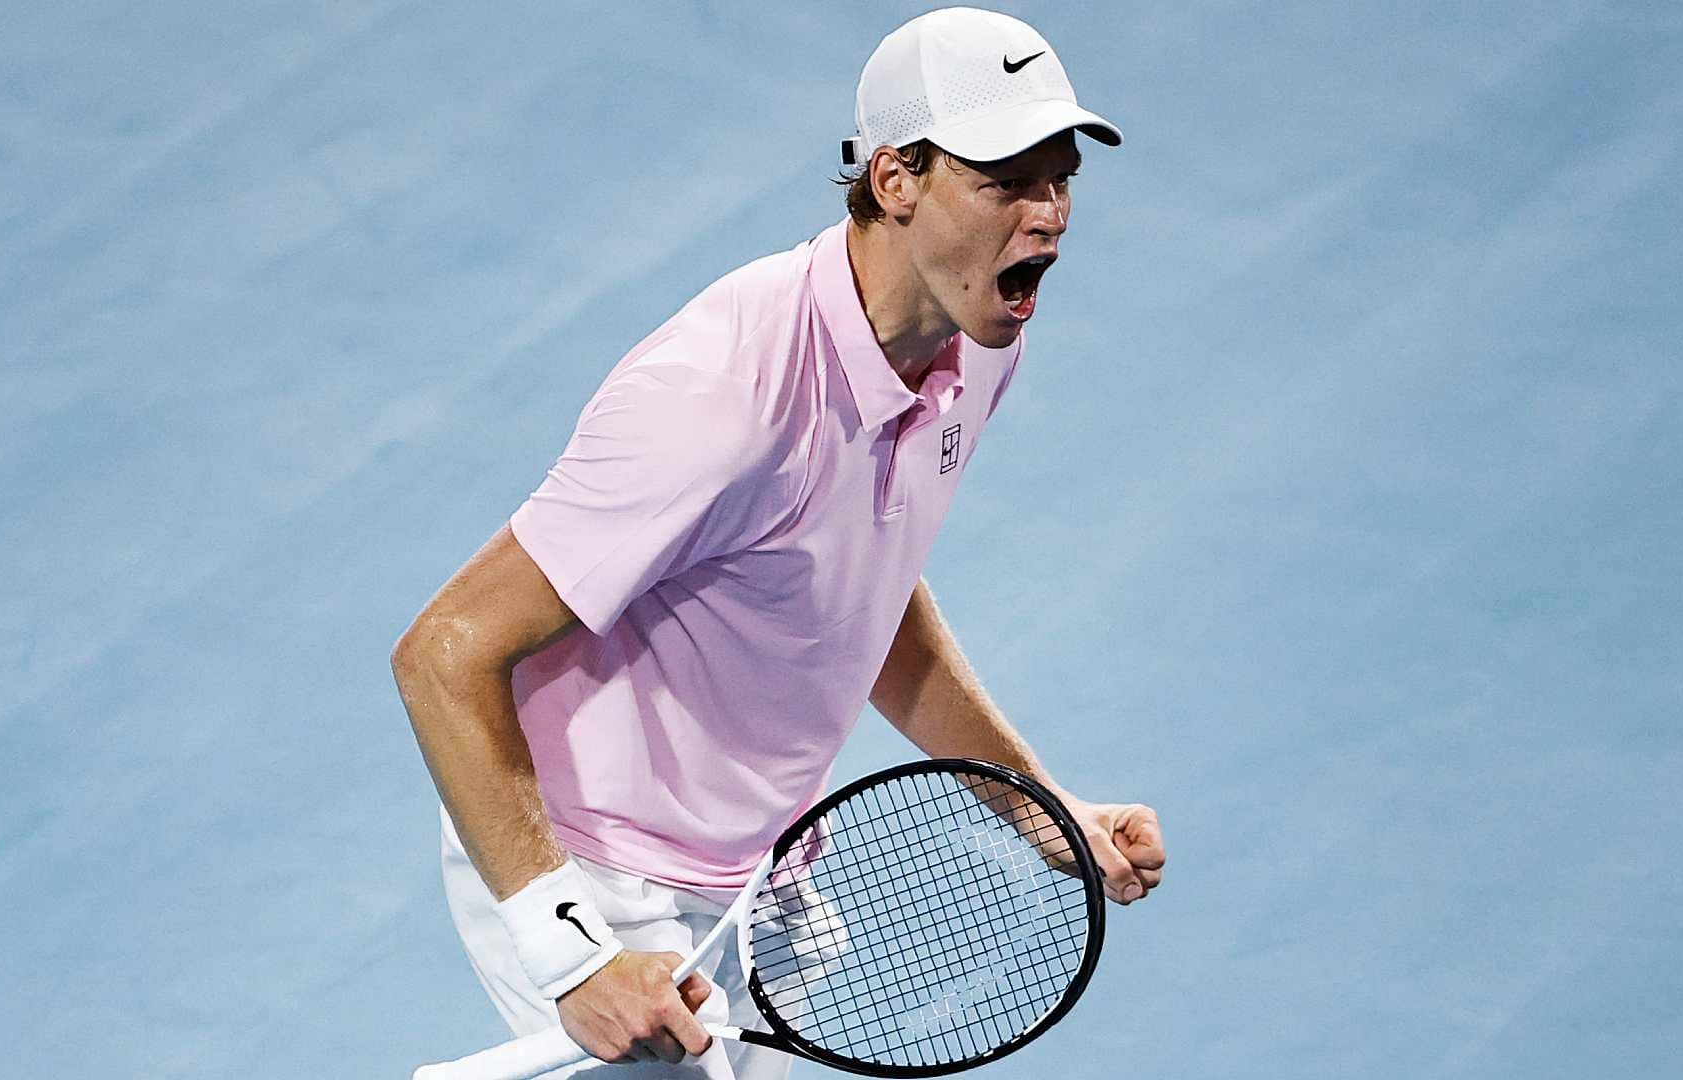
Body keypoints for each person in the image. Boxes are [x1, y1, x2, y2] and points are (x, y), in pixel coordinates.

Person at [391, 9, 1166, 1078]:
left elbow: (856, 583)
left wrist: (1034, 803)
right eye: (1004, 183)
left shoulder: (976, 343)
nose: (1047, 218)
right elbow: (443, 652)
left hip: (758, 868)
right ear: (895, 178)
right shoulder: (722, 397)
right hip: (593, 860)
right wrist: (573, 954)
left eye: (1059, 181)